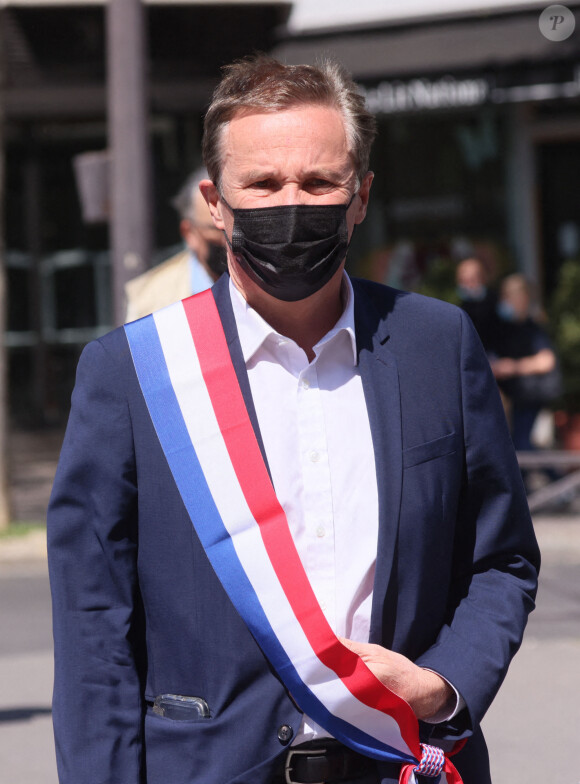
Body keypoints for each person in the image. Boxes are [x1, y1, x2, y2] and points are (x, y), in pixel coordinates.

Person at [48, 55, 539, 784]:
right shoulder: (132, 375)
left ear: (361, 196)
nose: (292, 204)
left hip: (406, 766)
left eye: (318, 182)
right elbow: (94, 636)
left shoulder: (438, 345)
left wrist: (444, 685)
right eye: (264, 184)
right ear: (216, 202)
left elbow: (501, 561)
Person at [124, 167, 227, 321]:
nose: (231, 238)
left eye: (237, 227)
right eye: (217, 230)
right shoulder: (151, 301)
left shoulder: (266, 283)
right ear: (189, 233)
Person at [491, 273, 559, 452]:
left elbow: (546, 361)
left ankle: (562, 479)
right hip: (516, 396)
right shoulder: (506, 328)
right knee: (518, 444)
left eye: (509, 296)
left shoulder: (532, 328)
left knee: (522, 445)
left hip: (529, 395)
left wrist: (513, 367)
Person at [455, 257, 501, 355]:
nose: (469, 286)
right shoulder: (455, 306)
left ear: (483, 279)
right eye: (464, 281)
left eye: (472, 280)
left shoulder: (497, 303)